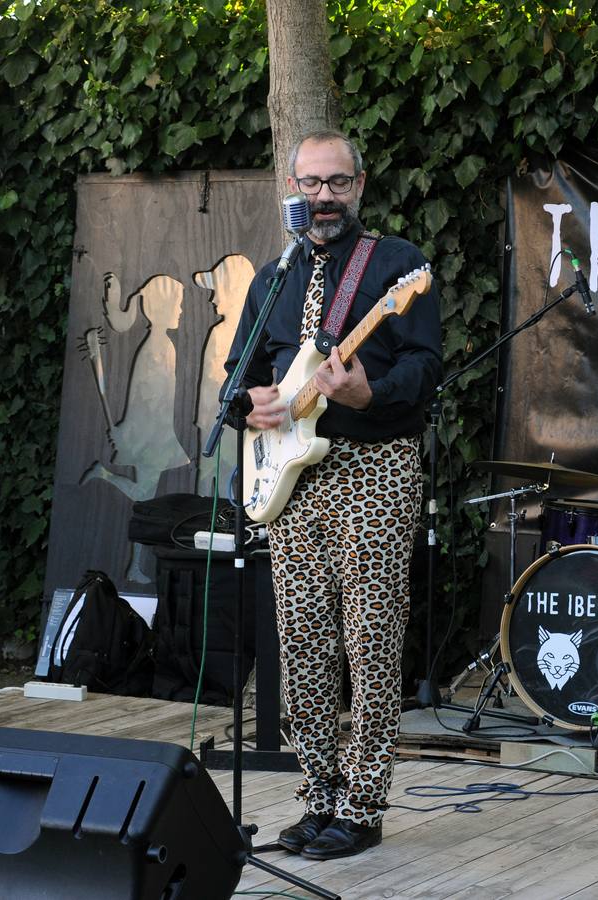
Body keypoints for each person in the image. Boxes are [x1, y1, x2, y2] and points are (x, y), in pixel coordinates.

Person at [223, 130, 442, 860]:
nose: (324, 197)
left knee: (371, 639)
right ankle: (318, 795)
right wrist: (249, 405)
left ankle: (363, 803)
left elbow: (426, 367)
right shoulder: (275, 276)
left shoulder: (397, 263)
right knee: (302, 641)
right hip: (293, 477)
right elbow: (237, 376)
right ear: (293, 188)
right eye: (312, 183)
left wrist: (368, 392)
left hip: (374, 464)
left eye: (338, 183)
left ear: (360, 185)